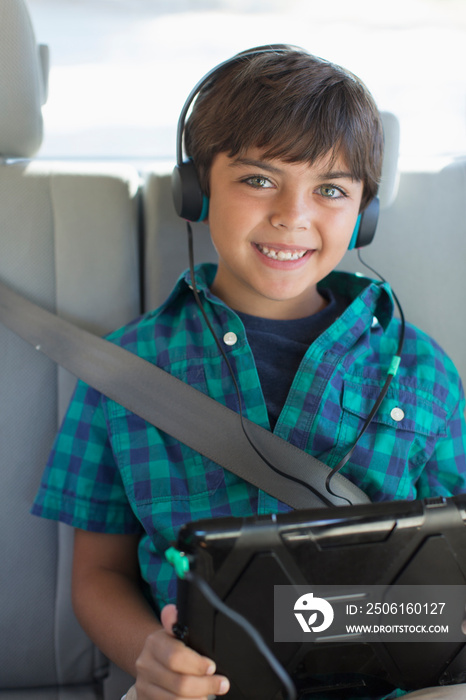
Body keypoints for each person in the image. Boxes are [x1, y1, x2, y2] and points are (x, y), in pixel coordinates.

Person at [31, 45, 466, 700]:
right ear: (198, 187)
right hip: (200, 686)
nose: (293, 215)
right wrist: (151, 655)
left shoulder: (423, 369)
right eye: (259, 179)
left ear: (364, 215)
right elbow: (99, 575)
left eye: (329, 190)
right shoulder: (122, 371)